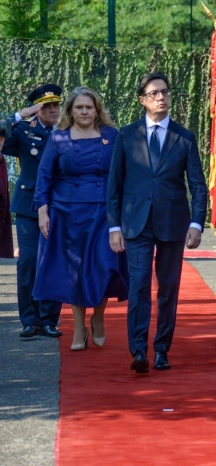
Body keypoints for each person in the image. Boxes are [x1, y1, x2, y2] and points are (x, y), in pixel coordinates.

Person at [107, 72, 208, 374]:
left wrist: (197, 224)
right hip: (135, 223)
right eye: (154, 93)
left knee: (168, 288)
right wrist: (114, 227)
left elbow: (198, 186)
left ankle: (162, 349)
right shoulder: (127, 135)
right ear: (142, 100)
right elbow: (114, 185)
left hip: (173, 223)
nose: (161, 97)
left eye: (165, 91)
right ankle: (138, 350)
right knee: (138, 285)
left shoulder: (184, 137)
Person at [34, 86, 129, 351]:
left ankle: (98, 319)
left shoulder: (112, 135)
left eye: (89, 107)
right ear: (70, 111)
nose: (84, 111)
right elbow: (44, 175)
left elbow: (123, 173)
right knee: (74, 273)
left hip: (104, 212)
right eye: (79, 107)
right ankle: (78, 327)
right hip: (66, 213)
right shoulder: (58, 139)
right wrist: (43, 211)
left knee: (103, 266)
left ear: (97, 110)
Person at [2, 84, 64, 339]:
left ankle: (49, 319)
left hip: (60, 205)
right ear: (36, 109)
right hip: (28, 206)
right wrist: (20, 115)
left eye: (55, 105)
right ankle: (29, 320)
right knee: (28, 262)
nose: (52, 110)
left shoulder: (67, 131)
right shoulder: (23, 131)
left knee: (53, 262)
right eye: (46, 106)